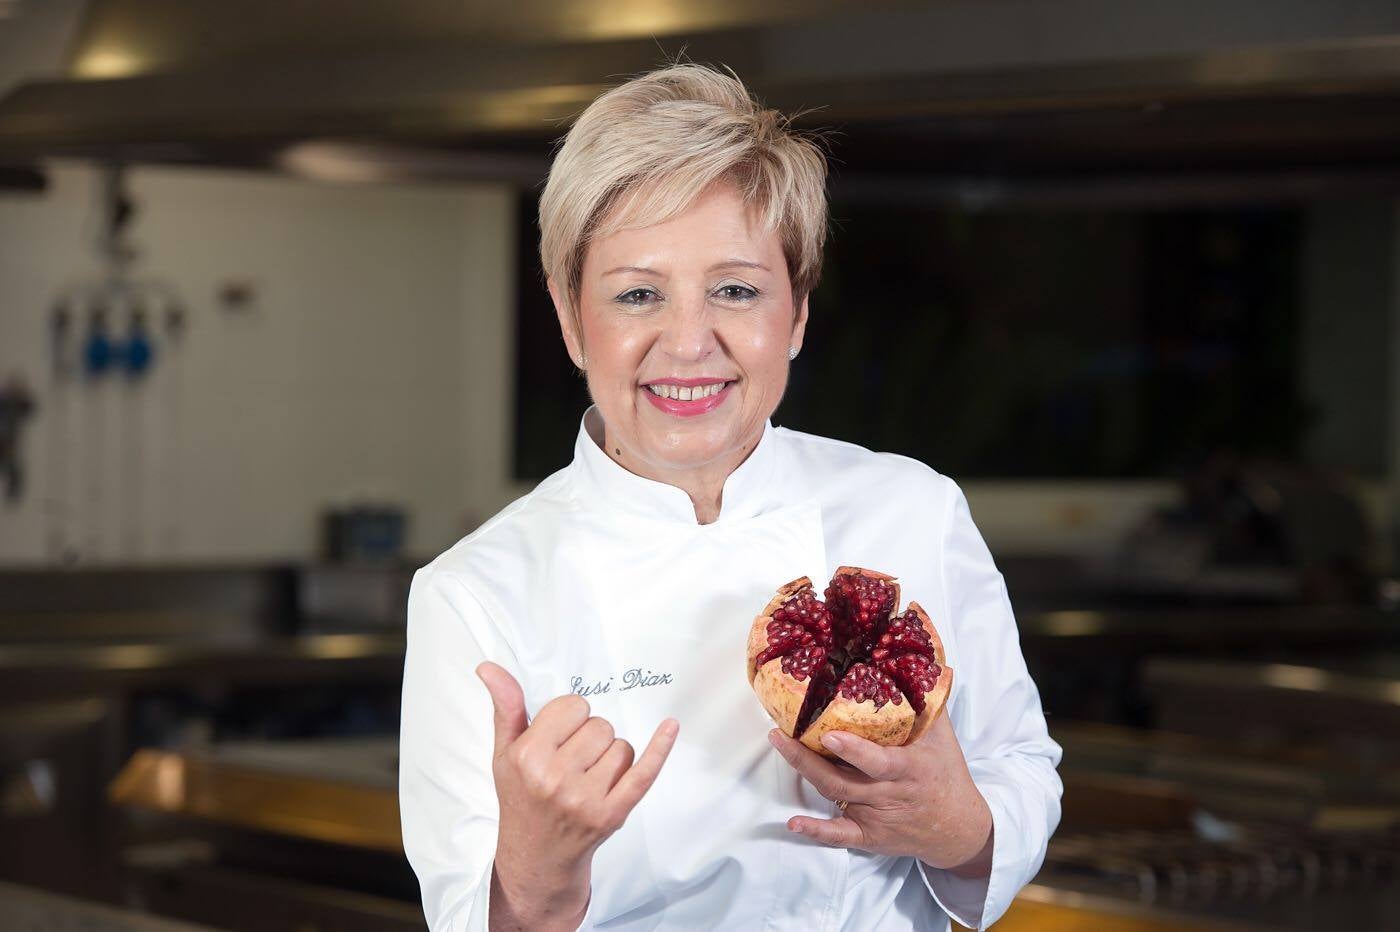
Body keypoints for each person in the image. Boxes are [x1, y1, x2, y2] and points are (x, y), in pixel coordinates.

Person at [398, 61, 1062, 931]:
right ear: (569, 317)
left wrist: (958, 827)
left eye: (736, 290)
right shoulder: (475, 594)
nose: (688, 342)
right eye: (638, 294)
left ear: (795, 315)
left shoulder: (912, 510)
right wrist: (536, 871)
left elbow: (1019, 767)